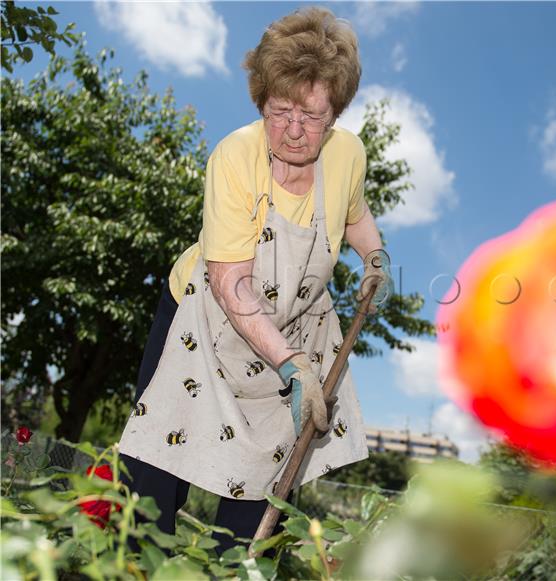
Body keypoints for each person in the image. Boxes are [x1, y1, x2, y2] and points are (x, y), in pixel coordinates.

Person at [117, 6, 392, 556]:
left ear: (334, 114)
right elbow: (231, 283)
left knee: (260, 498)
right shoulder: (235, 158)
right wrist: (291, 366)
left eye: (312, 116)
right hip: (205, 325)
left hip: (294, 328)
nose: (294, 130)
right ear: (261, 101)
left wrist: (376, 258)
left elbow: (355, 215)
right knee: (153, 478)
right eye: (280, 110)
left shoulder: (348, 155)